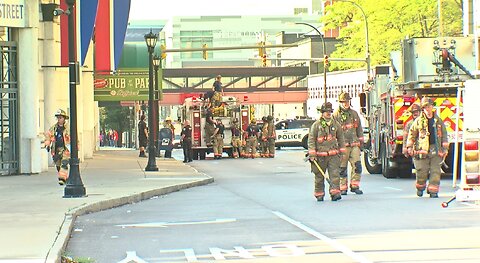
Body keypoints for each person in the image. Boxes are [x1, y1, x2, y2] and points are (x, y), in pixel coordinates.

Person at [406, 97, 448, 198]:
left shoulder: (438, 121)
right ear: (422, 109)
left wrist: (445, 148)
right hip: (422, 150)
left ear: (432, 107)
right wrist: (409, 147)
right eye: (425, 107)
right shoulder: (418, 121)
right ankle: (420, 187)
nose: (427, 109)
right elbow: (411, 134)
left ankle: (433, 191)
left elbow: (444, 135)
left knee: (436, 170)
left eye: (429, 106)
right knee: (421, 171)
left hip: (436, 149)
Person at [308, 102, 345, 201]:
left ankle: (335, 193)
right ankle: (319, 194)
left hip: (333, 156)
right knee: (319, 177)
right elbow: (311, 139)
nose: (328, 113)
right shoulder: (316, 125)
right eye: (326, 112)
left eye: (330, 111)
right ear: (322, 113)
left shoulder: (336, 124)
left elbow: (341, 138)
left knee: (335, 175)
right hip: (320, 157)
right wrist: (312, 154)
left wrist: (342, 152)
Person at [333, 92, 365, 195]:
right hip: (342, 146)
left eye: (347, 101)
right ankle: (343, 187)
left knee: (357, 165)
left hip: (354, 144)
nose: (345, 104)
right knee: (342, 168)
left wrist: (361, 142)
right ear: (340, 102)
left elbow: (359, 129)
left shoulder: (354, 114)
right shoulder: (336, 116)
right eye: (343, 102)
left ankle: (355, 186)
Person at [44, 109, 71, 185]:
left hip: (65, 149)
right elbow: (48, 136)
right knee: (58, 165)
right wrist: (47, 144)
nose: (59, 119)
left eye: (60, 118)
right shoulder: (53, 128)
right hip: (56, 149)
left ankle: (62, 179)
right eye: (58, 118)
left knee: (64, 163)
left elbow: (73, 138)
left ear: (64, 118)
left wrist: (76, 147)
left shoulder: (68, 128)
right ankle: (64, 177)